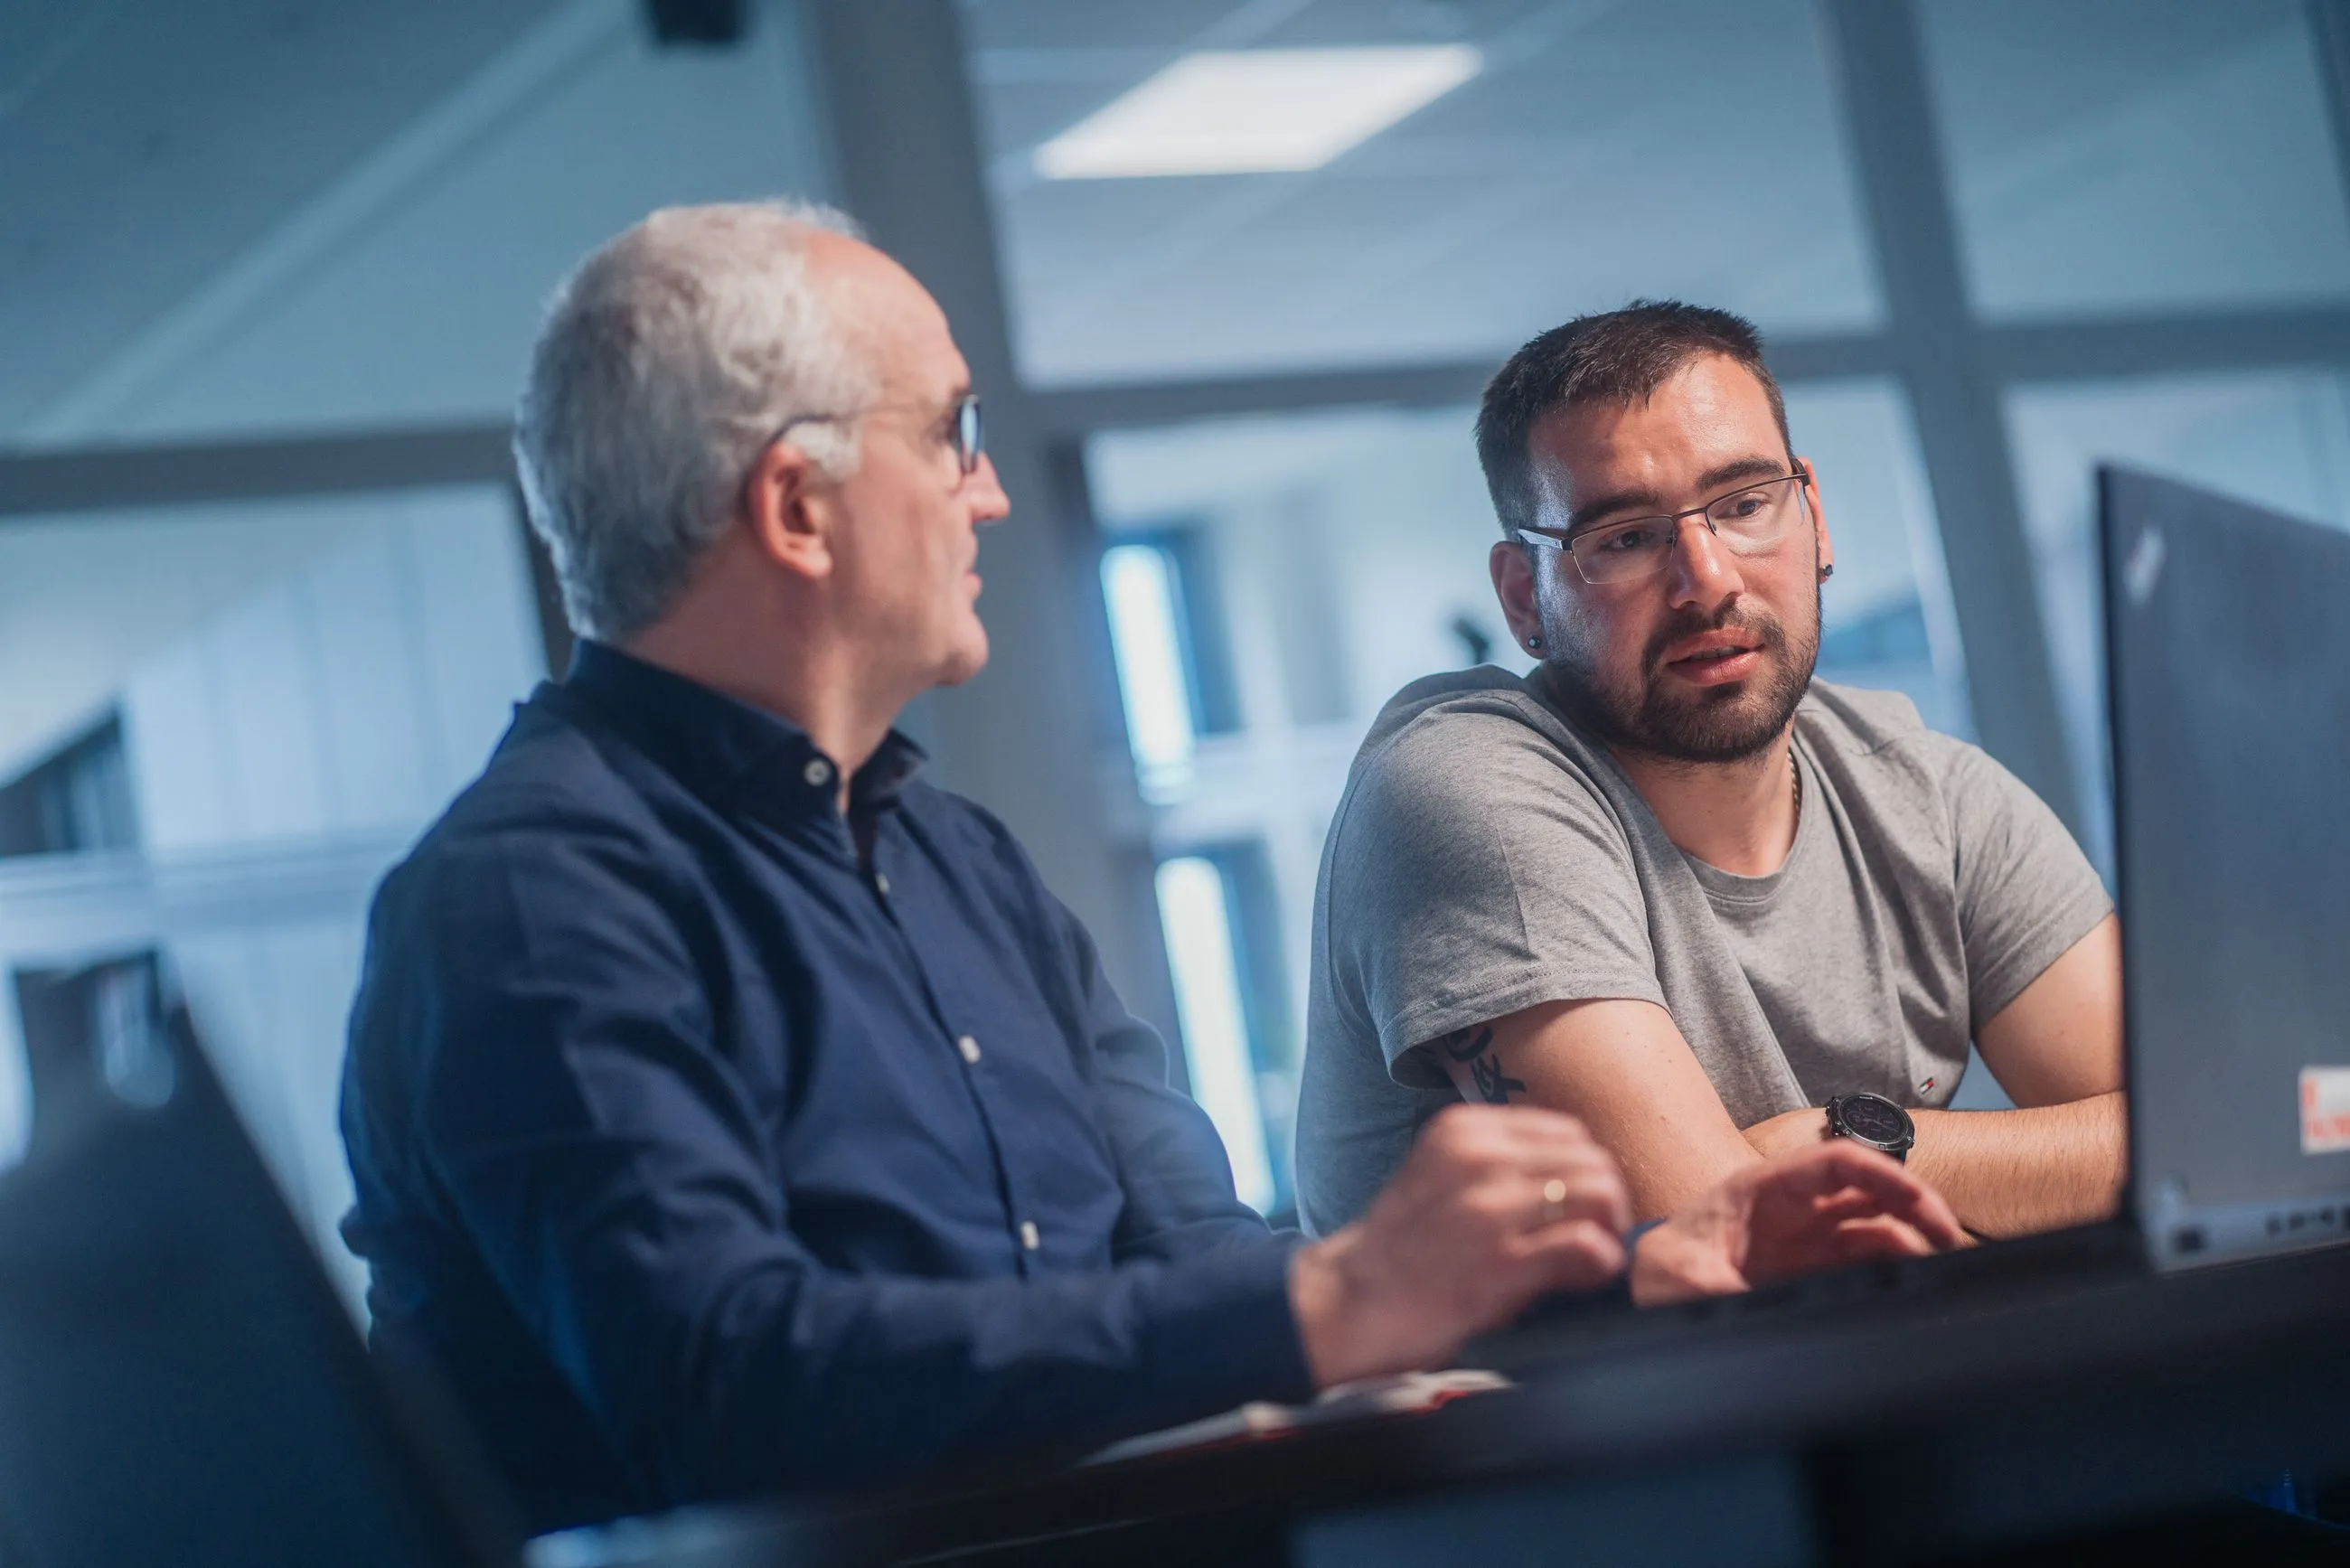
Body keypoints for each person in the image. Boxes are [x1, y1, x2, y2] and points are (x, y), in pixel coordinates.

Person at [337, 209, 1964, 1535]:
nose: (985, 487)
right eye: (950, 435)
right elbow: (730, 1388)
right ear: (799, 506)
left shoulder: (951, 861)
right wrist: (1325, 1312)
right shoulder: (529, 898)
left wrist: (1607, 1289)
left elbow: (1197, 1260)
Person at [1295, 302, 2123, 1242]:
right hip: (1555, 1391)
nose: (1708, 578)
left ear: (1810, 514)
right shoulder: (1462, 789)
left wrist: (1834, 1146)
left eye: (1741, 505)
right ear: (1524, 596)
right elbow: (1731, 1248)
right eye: (1623, 539)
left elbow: (2195, 1136)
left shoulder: (1927, 795)